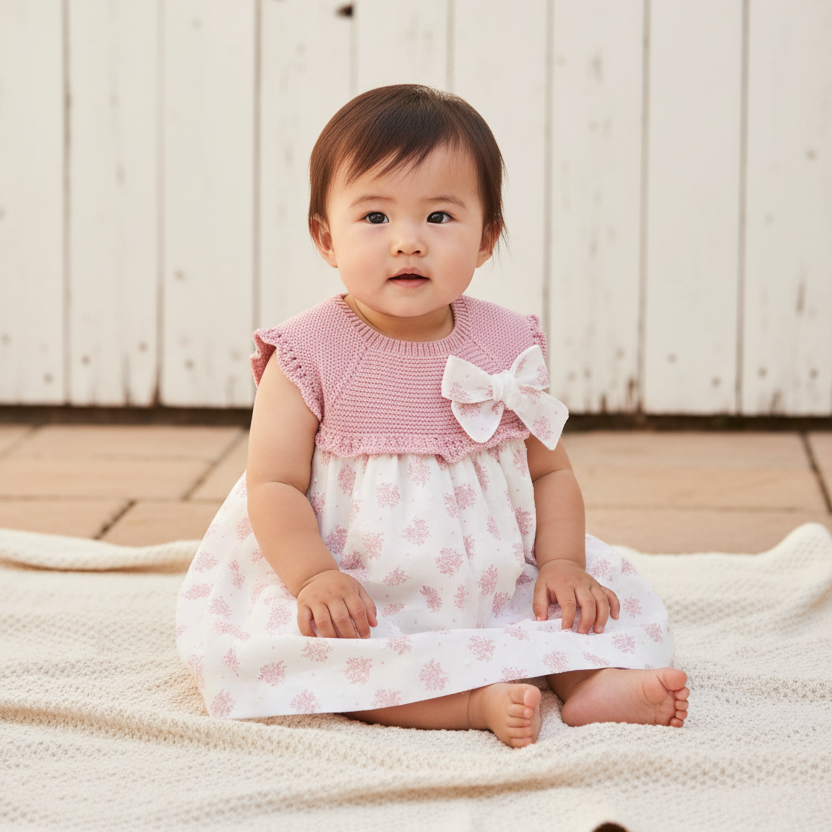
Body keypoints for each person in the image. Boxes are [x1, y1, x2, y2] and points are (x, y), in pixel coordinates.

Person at [176, 84, 689, 747]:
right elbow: (271, 483)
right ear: (326, 238)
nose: (409, 242)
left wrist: (561, 562)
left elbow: (550, 472)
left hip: (495, 571)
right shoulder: (309, 352)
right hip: (358, 579)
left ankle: (588, 685)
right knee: (319, 652)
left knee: (573, 610)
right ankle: (469, 704)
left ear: (486, 238)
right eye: (376, 218)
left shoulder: (505, 344)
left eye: (441, 218)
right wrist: (314, 576)